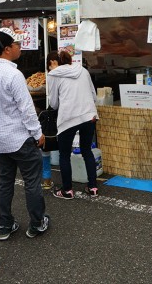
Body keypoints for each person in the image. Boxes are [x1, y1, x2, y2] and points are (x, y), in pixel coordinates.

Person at [0, 28, 50, 241]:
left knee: (5, 182)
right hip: (20, 137)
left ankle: (5, 224)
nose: (20, 48)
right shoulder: (13, 74)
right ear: (8, 48)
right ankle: (37, 223)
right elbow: (26, 108)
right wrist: (38, 133)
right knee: (32, 182)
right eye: (17, 44)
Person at [46, 50, 99, 199]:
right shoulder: (83, 70)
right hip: (89, 115)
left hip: (68, 118)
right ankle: (93, 187)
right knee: (87, 150)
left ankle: (67, 190)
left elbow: (54, 104)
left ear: (54, 62)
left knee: (64, 155)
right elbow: (93, 95)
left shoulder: (53, 75)